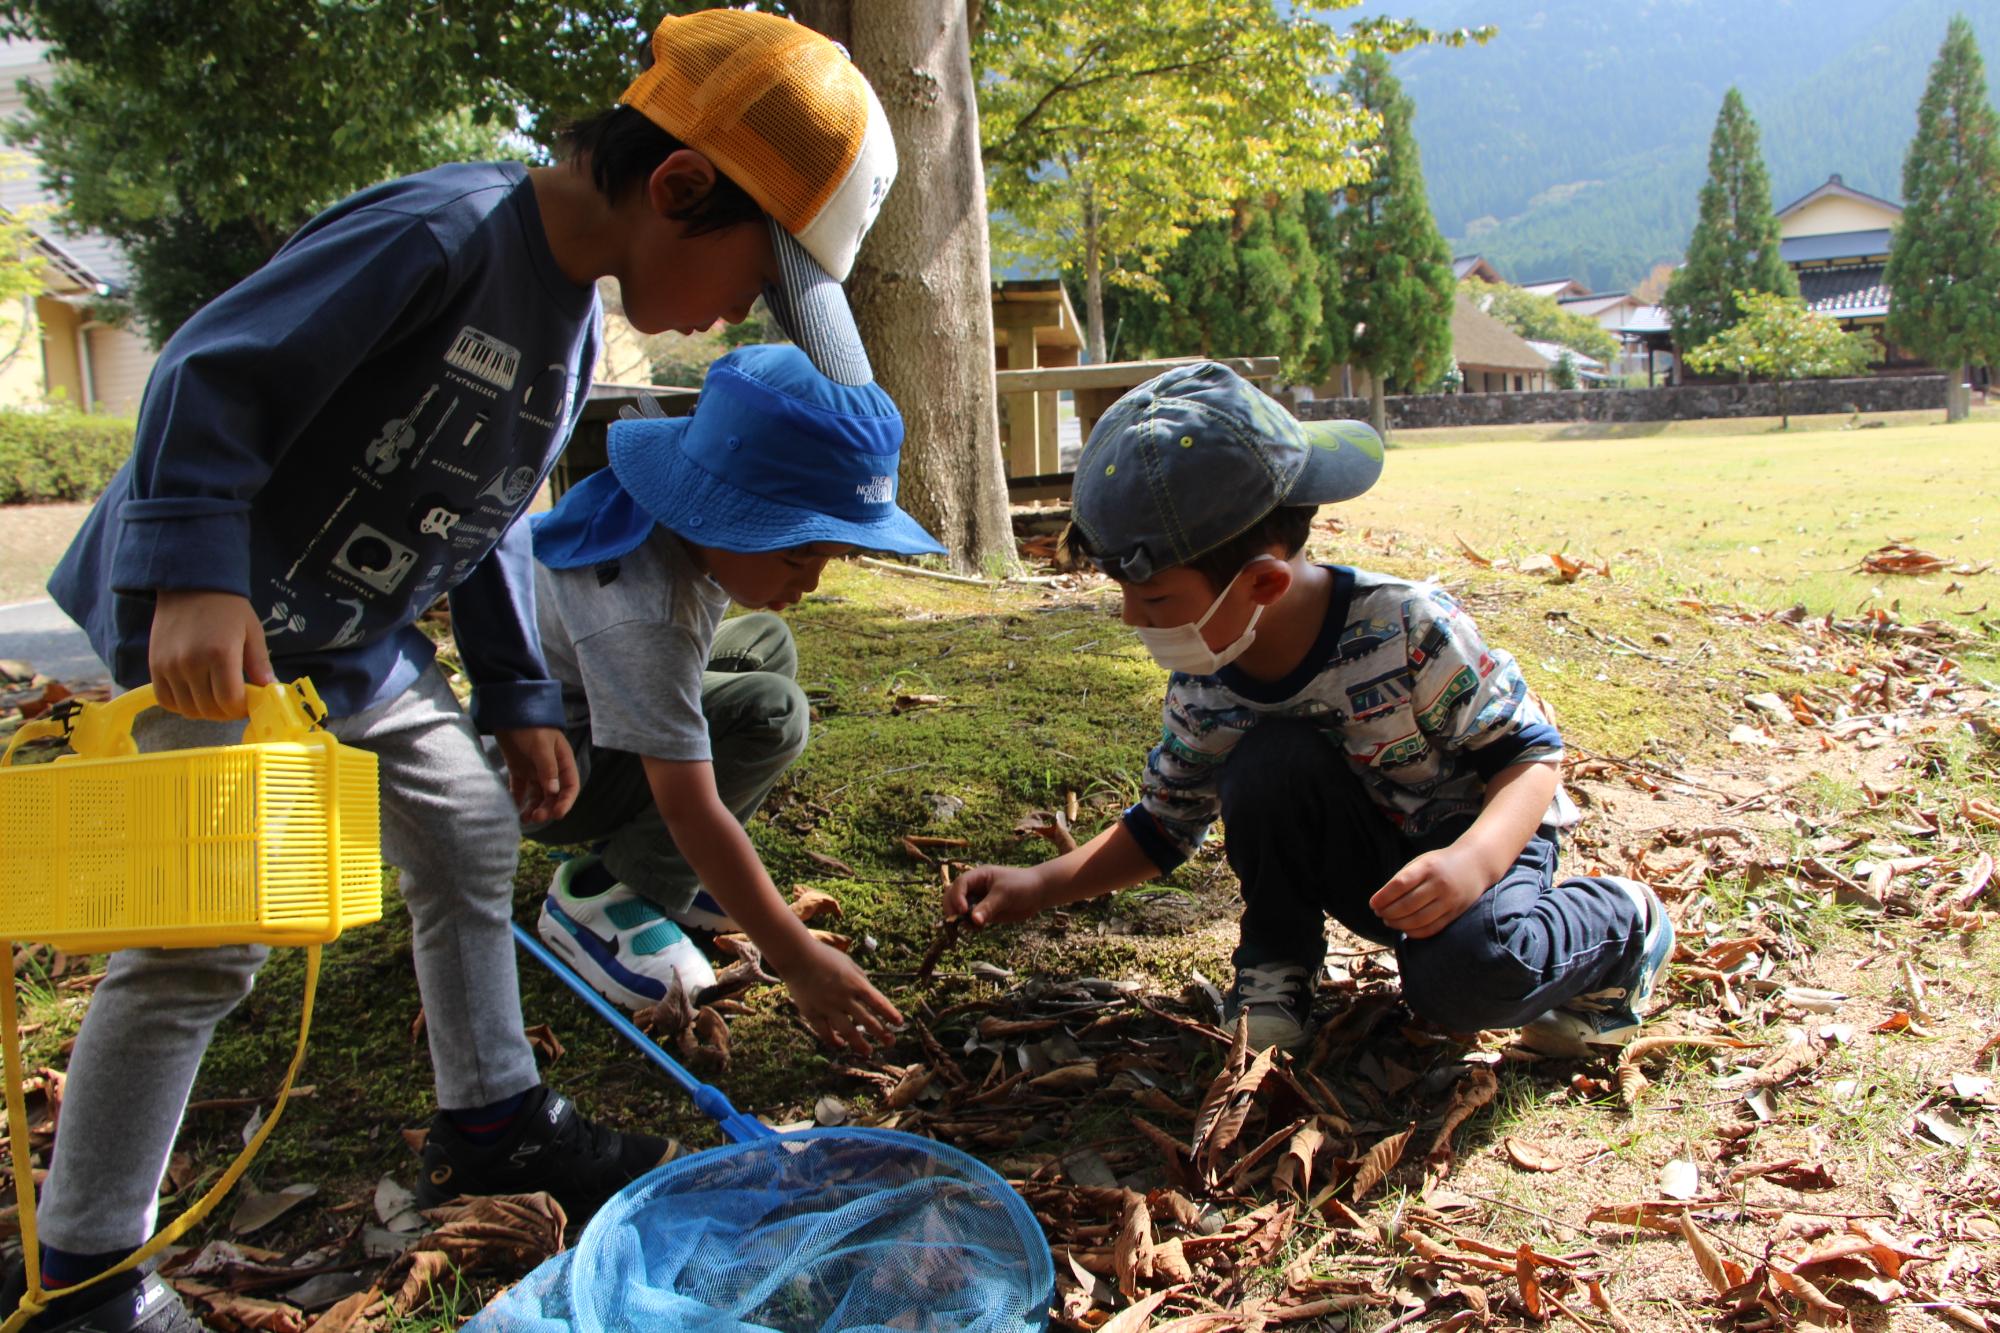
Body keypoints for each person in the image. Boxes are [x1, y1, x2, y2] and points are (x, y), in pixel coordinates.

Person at [17, 11, 898, 1331]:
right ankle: (86, 1266)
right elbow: (211, 369)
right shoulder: (444, 235)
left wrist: (515, 692)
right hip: (214, 629)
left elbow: (481, 514)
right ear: (677, 186)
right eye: (747, 281)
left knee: (466, 824)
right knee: (206, 937)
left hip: (352, 639)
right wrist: (197, 572)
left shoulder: (570, 327)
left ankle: (490, 1121)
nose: (731, 314)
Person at [943, 362, 1674, 1055]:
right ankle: (1276, 965)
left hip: (1481, 838)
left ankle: (1623, 926)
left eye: (1155, 597)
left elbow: (1529, 756)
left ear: (1261, 583)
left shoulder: (1407, 627)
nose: (1132, 617)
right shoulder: (1206, 675)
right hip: (1374, 864)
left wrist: (1473, 861)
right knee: (1264, 763)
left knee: (1460, 980)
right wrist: (1037, 884)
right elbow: (1166, 824)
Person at [520, 343, 938, 1051]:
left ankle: (685, 869)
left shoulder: (674, 532)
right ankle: (612, 890)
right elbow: (690, 803)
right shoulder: (647, 612)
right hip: (553, 770)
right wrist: (797, 959)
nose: (810, 582)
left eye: (826, 557)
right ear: (725, 512)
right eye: (796, 551)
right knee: (773, 712)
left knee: (765, 642)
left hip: (584, 695)